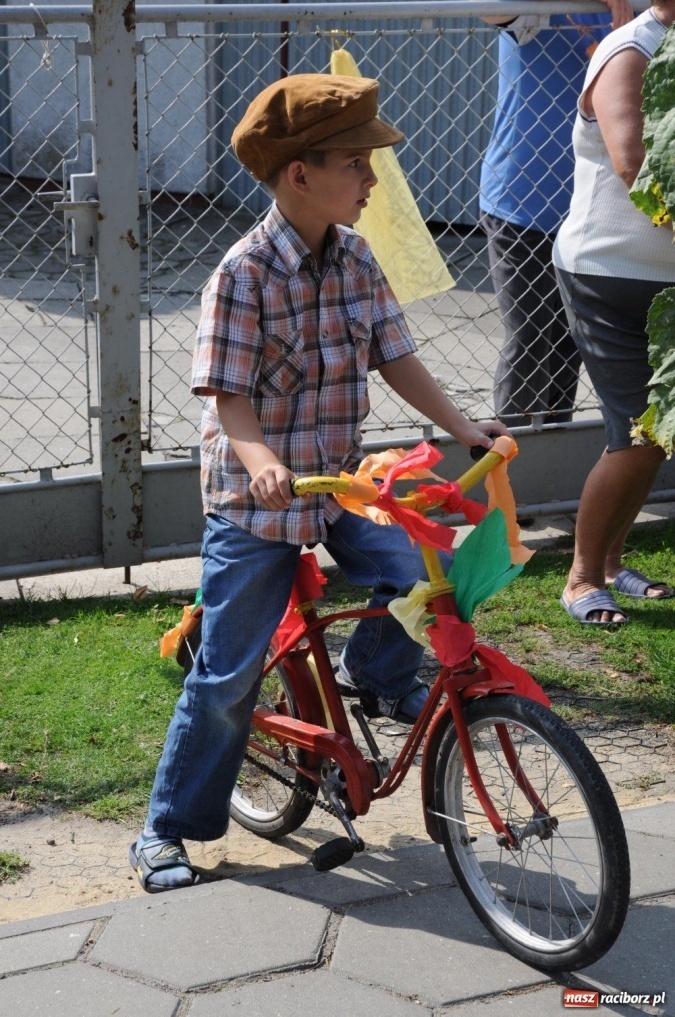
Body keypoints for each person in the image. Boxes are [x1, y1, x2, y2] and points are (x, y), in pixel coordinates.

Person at [129, 73, 509, 892]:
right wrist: (261, 461)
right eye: (357, 164)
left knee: (410, 573)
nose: (373, 181)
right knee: (228, 674)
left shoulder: (357, 256)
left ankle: (371, 681)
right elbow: (228, 394)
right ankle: (167, 827)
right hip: (257, 496)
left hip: (340, 484)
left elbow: (395, 353)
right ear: (300, 174)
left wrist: (461, 427)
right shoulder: (242, 273)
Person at [553, 1, 675, 625]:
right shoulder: (631, 51)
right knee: (637, 435)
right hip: (608, 274)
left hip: (666, 281)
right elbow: (634, 167)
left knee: (658, 436)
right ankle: (579, 578)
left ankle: (609, 564)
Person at [479, 0, 634, 427]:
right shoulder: (539, 9)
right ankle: (513, 460)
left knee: (570, 342)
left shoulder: (637, 11)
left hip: (591, 204)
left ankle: (554, 443)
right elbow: (490, 9)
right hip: (520, 201)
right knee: (530, 339)